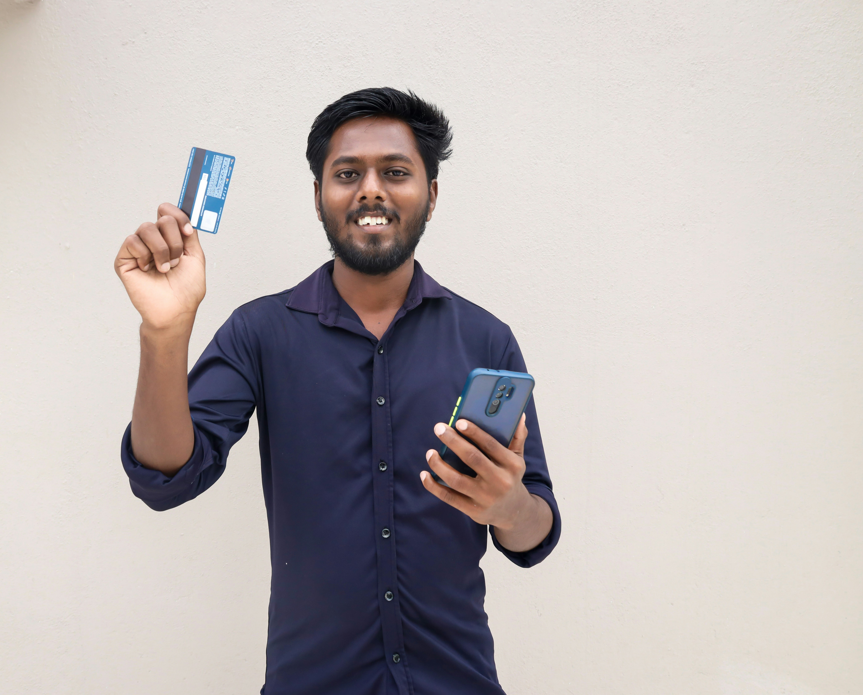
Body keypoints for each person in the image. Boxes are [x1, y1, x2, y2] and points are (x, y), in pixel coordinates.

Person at [114, 87, 561, 695]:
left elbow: (535, 535)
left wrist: (508, 508)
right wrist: (164, 334)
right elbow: (165, 479)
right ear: (320, 198)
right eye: (347, 173)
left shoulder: (486, 340)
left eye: (396, 172)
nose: (370, 189)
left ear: (430, 197)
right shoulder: (260, 331)